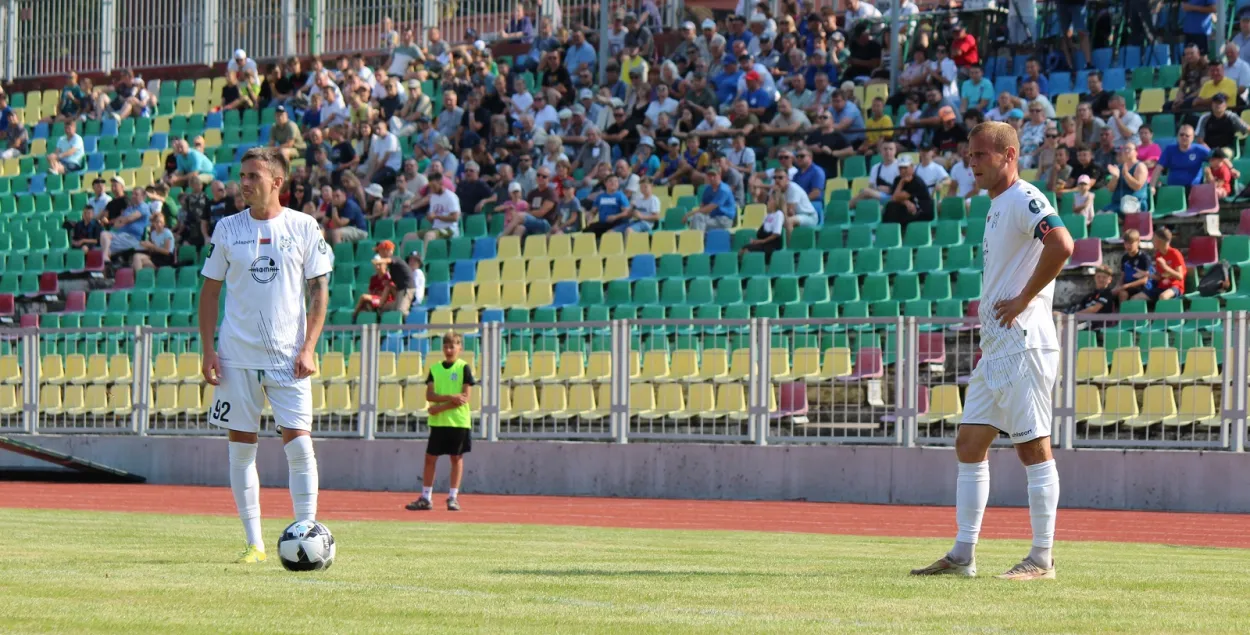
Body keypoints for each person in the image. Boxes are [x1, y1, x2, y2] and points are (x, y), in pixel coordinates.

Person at [911, 121, 1073, 581]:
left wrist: (1023, 298)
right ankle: (963, 555)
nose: (972, 163)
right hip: (997, 345)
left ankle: (1042, 558)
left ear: (1009, 154)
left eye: (981, 155)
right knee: (969, 443)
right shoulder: (998, 204)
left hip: (1023, 341)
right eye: (970, 156)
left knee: (1033, 448)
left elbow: (1062, 244)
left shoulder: (1024, 197)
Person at [199, 147, 332, 564]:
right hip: (236, 356)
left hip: (289, 357)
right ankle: (254, 543)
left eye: (254, 175)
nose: (245, 182)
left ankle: (307, 533)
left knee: (299, 446)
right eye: (243, 175)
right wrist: (208, 350)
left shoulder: (304, 226)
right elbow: (209, 292)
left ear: (277, 181)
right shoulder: (227, 229)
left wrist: (309, 347)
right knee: (241, 448)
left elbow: (319, 292)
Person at [406, 332, 475, 512]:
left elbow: (465, 398)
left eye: (453, 346)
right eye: (446, 346)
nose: (449, 350)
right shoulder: (435, 368)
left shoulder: (463, 368)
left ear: (460, 348)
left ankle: (453, 497)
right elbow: (430, 395)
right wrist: (449, 397)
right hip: (438, 423)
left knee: (456, 458)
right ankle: (426, 497)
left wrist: (439, 407)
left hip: (458, 421)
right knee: (430, 458)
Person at [1137, 227, 1185, 301]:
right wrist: (1146, 274)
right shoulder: (1158, 255)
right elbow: (1159, 277)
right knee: (1135, 298)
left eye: (1154, 239)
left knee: (1163, 297)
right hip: (1161, 287)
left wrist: (1165, 267)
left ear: (1159, 241)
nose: (1152, 241)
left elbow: (1180, 276)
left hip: (1175, 287)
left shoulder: (1175, 253)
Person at [420, 174, 461, 256]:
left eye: (434, 186)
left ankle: (421, 260)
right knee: (409, 236)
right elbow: (433, 219)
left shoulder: (450, 196)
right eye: (430, 186)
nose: (432, 188)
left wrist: (436, 216)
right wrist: (430, 218)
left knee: (429, 235)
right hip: (436, 228)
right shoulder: (433, 197)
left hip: (449, 230)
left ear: (440, 183)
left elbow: (455, 217)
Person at [1114, 228, 1154, 303]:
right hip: (1129, 287)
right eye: (1126, 243)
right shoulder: (1125, 258)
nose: (1128, 246)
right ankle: (1122, 314)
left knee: (1134, 298)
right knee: (1122, 294)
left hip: (1142, 287)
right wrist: (1117, 286)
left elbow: (1144, 280)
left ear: (1138, 241)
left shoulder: (1144, 258)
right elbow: (1123, 276)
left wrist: (1126, 286)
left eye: (1131, 243)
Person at [353, 255, 394, 322]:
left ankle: (354, 316)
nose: (377, 267)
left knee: (363, 297)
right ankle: (376, 319)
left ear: (385, 265)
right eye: (376, 265)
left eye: (379, 264)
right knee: (365, 305)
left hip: (385, 302)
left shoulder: (388, 277)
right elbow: (370, 292)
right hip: (375, 300)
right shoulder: (373, 278)